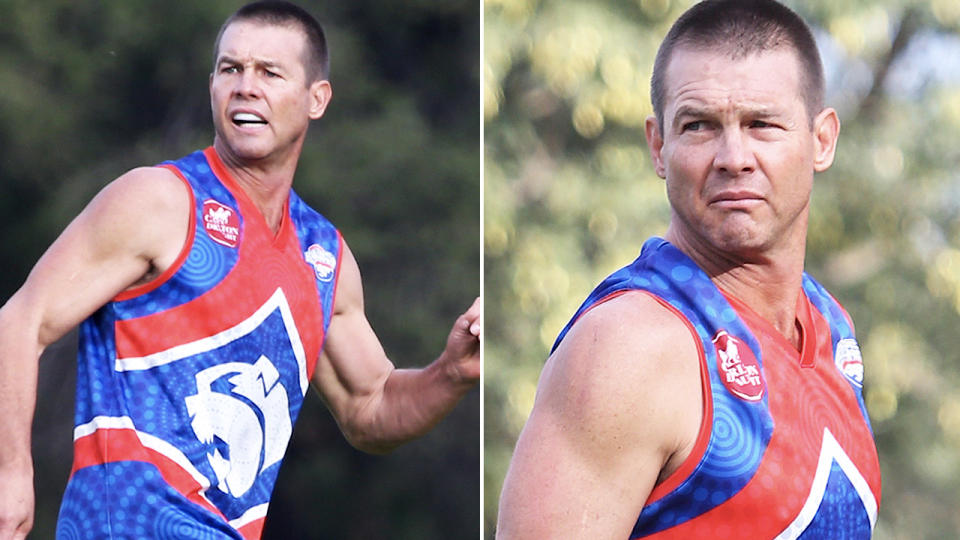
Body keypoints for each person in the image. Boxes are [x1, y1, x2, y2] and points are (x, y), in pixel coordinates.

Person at [0, 1, 479, 539]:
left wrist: (452, 373)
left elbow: (371, 406)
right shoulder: (159, 201)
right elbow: (19, 323)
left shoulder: (325, 259)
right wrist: (11, 472)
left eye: (270, 73)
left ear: (316, 99)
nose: (246, 86)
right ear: (212, 87)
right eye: (232, 69)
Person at [496, 0, 881, 538]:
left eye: (762, 124)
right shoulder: (628, 347)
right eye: (699, 126)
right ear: (658, 146)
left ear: (821, 141)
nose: (733, 157)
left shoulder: (831, 326)